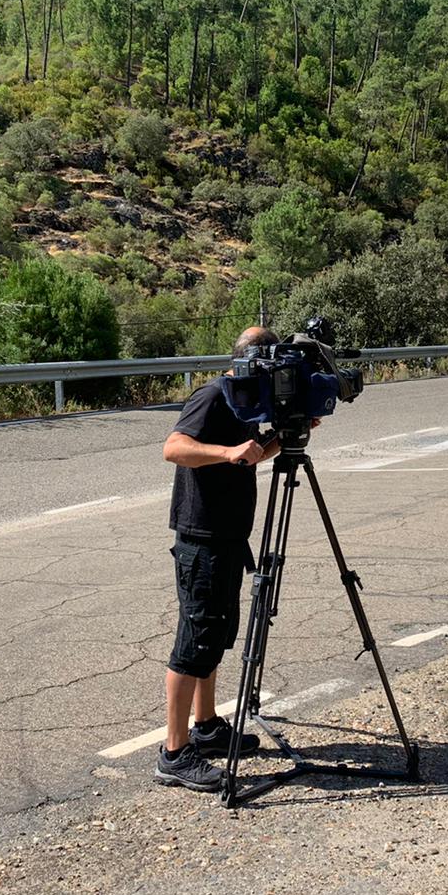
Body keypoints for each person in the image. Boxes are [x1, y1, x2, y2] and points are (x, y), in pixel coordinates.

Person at [155, 325, 281, 791]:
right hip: (202, 536)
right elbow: (174, 448)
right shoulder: (213, 396)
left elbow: (246, 459)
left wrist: (280, 439)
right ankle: (174, 751)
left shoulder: (247, 400)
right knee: (195, 640)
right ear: (255, 361)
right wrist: (228, 450)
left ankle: (205, 725)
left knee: (214, 636)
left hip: (228, 535)